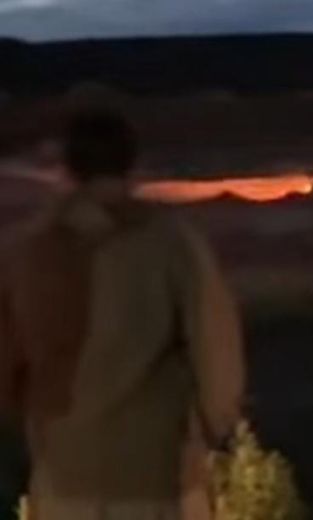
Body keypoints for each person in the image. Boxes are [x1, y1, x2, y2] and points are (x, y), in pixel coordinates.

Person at [0, 109, 245, 519]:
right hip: (156, 478)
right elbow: (215, 347)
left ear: (67, 167)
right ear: (132, 163)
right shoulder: (172, 244)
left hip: (64, 476)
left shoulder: (29, 251)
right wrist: (217, 427)